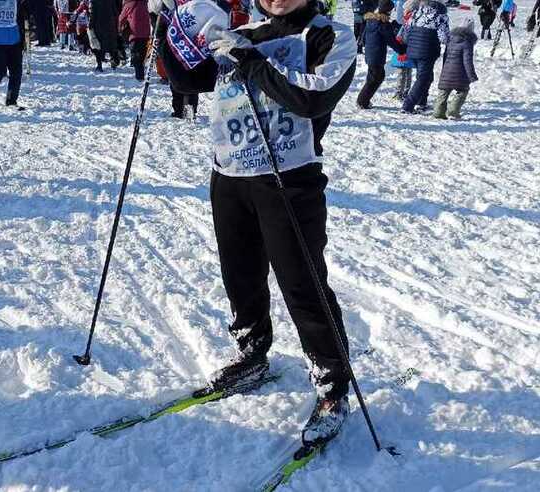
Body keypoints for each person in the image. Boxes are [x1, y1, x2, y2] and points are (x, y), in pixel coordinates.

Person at [153, 0, 359, 447]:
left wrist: (248, 57)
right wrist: (169, 29)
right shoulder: (245, 30)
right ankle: (252, 353)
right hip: (230, 174)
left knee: (302, 282)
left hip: (289, 176)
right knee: (240, 276)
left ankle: (331, 383)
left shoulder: (330, 35)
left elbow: (312, 97)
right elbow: (190, 80)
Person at [399, 0, 448, 113]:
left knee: (427, 76)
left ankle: (421, 102)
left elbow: (406, 33)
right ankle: (407, 106)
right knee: (423, 78)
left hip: (412, 50)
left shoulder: (416, 12)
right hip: (427, 51)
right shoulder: (440, 15)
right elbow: (444, 38)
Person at [356, 0, 405, 109]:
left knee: (372, 77)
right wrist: (402, 50)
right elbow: (391, 40)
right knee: (377, 77)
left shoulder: (371, 20)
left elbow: (363, 37)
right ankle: (362, 101)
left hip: (370, 53)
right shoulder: (383, 24)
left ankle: (363, 100)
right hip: (376, 55)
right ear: (387, 11)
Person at [433, 16, 477, 119]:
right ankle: (453, 111)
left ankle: (438, 113)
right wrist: (472, 76)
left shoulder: (450, 40)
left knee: (443, 91)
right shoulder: (467, 43)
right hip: (460, 74)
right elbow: (467, 61)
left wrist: (444, 69)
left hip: (447, 71)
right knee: (463, 91)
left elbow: (445, 56)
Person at [118, 0, 149, 80]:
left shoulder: (129, 3)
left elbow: (121, 18)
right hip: (146, 32)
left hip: (134, 33)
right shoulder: (145, 2)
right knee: (142, 54)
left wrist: (120, 29)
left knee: (136, 55)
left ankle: (139, 76)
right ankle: (141, 73)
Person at [88, 0, 119, 71]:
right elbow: (115, 13)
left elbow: (93, 14)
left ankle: (99, 65)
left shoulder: (94, 1)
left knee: (98, 46)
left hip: (99, 26)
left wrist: (90, 25)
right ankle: (113, 62)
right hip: (110, 25)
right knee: (111, 45)